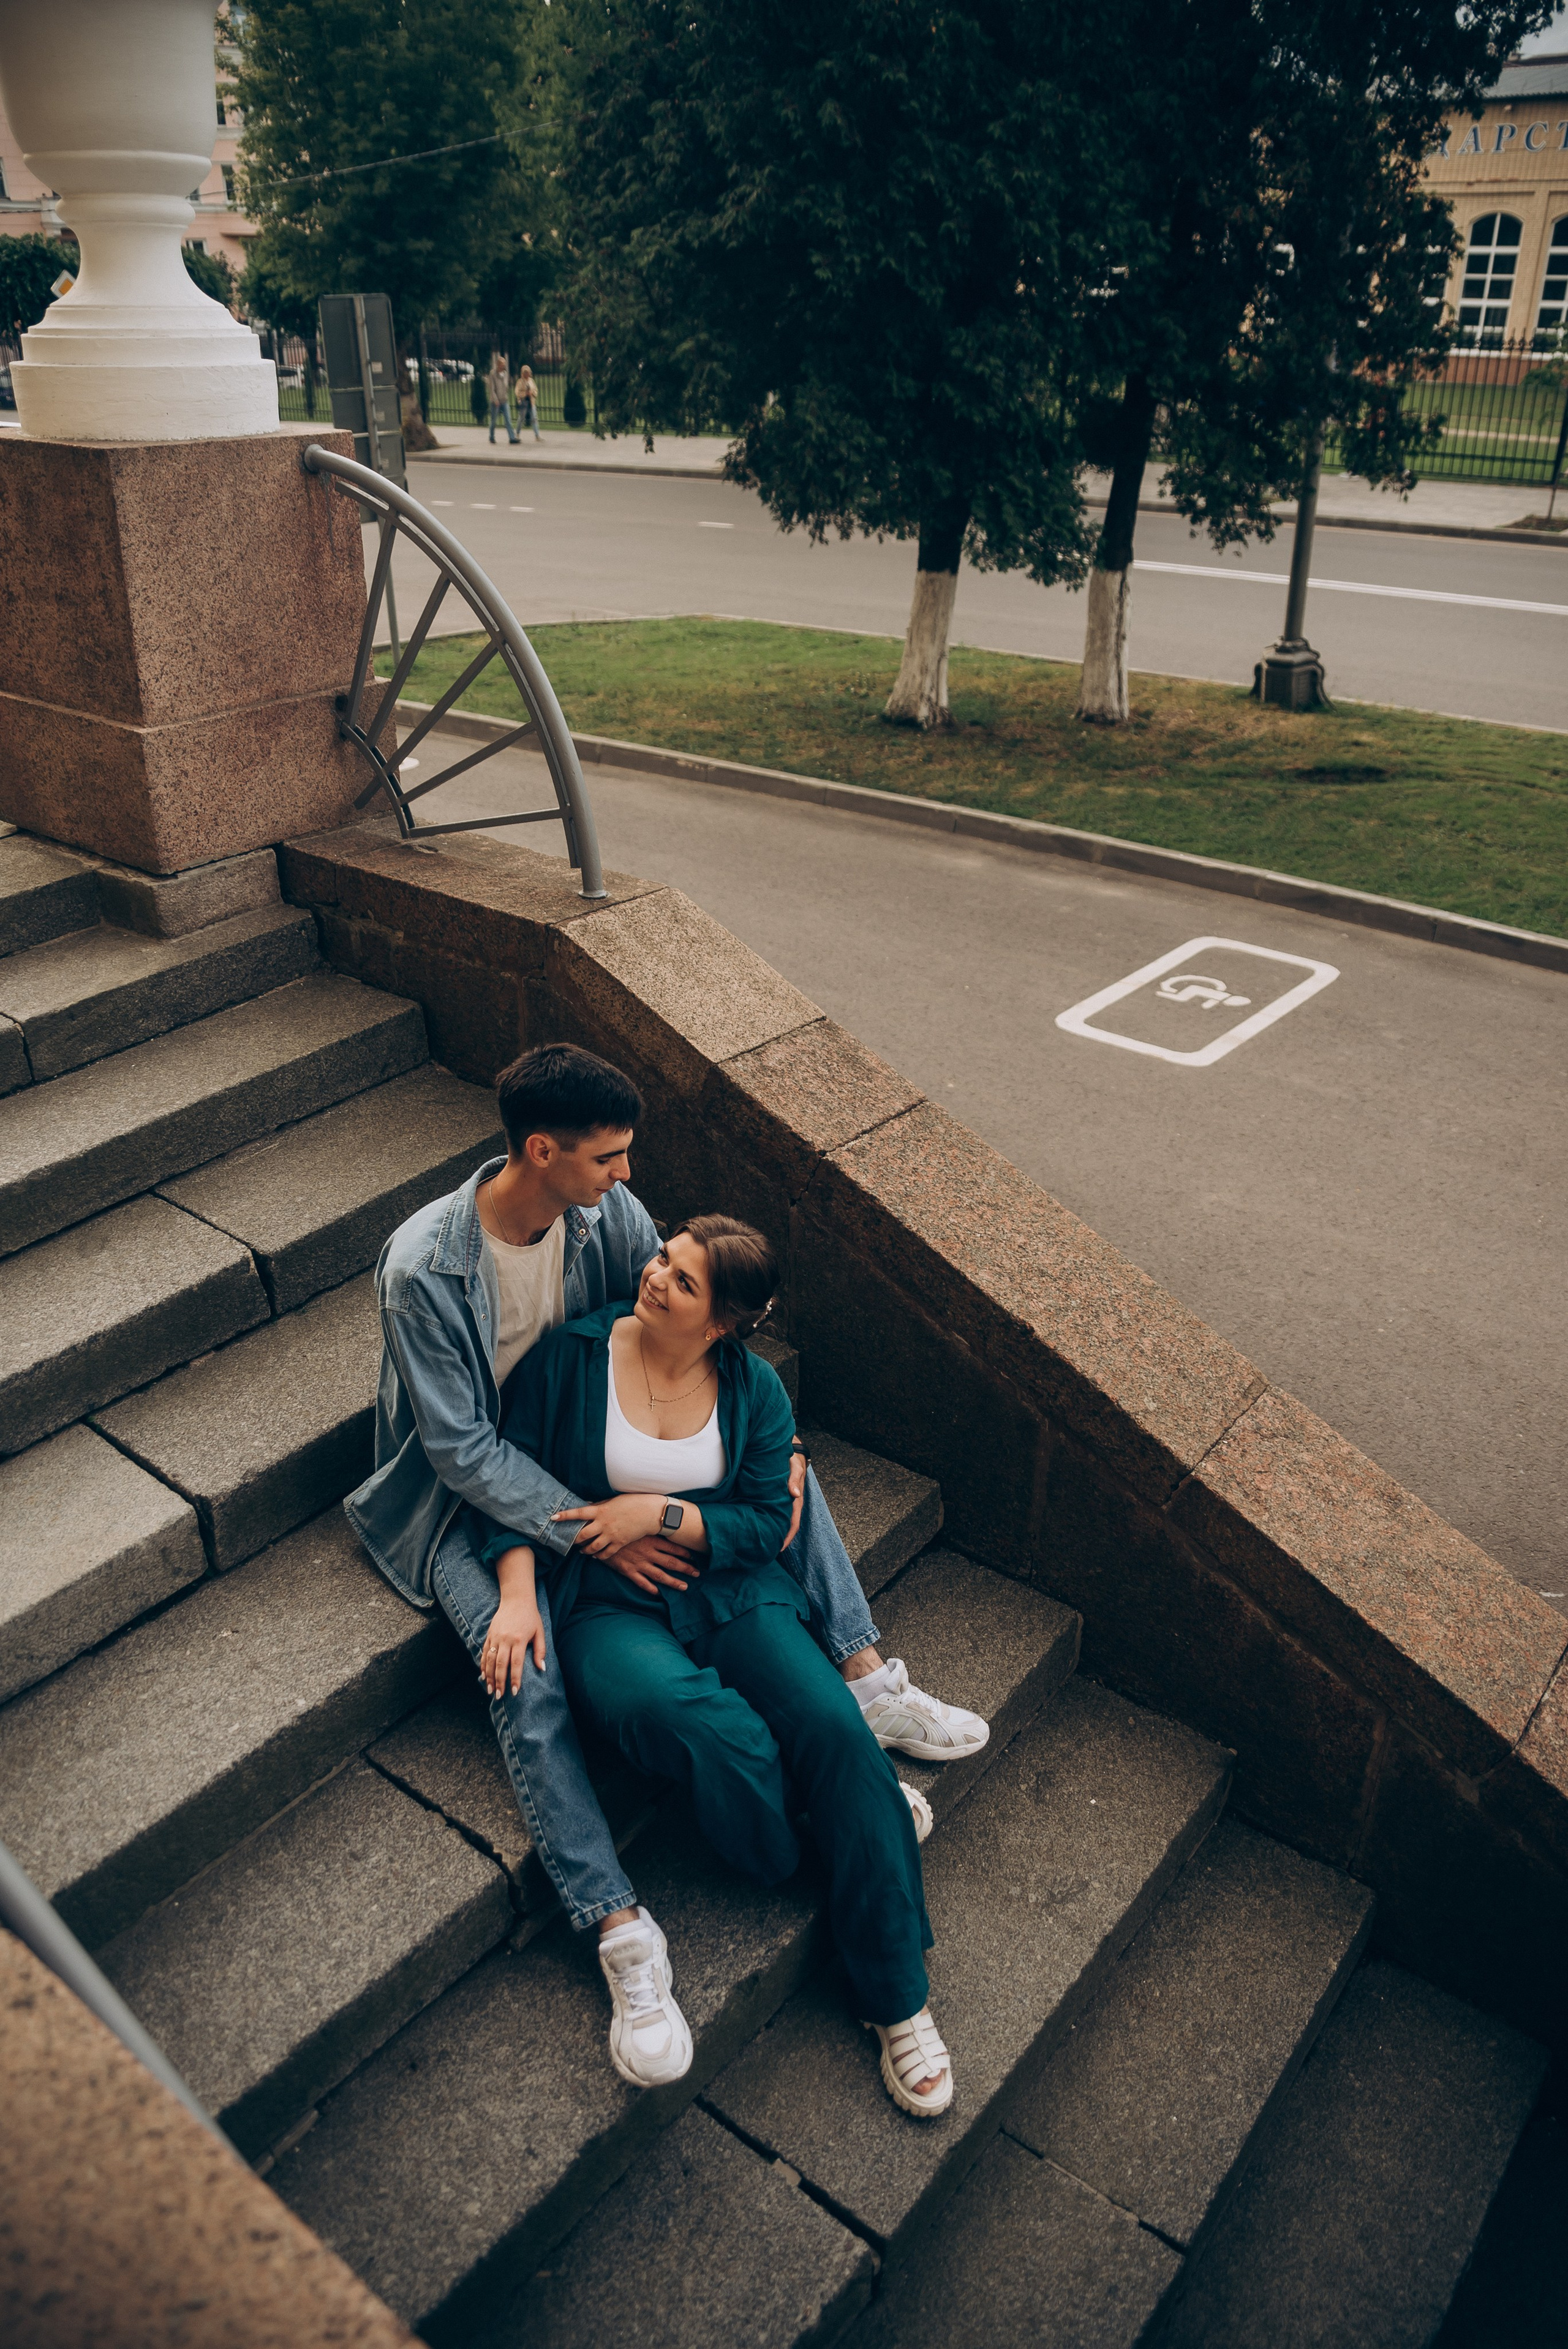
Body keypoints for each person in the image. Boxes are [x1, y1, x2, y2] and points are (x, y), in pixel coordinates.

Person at [346, 1043, 986, 2091]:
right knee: (532, 1674)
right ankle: (623, 1926)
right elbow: (468, 1453)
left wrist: (679, 1515)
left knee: (785, 1483)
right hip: (480, 1502)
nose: (631, 1186)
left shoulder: (625, 1234)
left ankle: (867, 1700)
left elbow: (748, 1495)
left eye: (680, 1277)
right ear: (544, 1151)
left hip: (688, 1552)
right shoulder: (430, 1267)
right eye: (610, 1158)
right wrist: (584, 1538)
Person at [479, 1215, 954, 2115]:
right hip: (607, 1609)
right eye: (663, 1256)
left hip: (733, 1591)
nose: (656, 1276)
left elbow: (764, 1522)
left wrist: (656, 1512)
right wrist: (522, 1584)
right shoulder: (570, 1360)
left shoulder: (755, 1388)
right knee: (701, 1724)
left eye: (683, 1280)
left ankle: (899, 2000)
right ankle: (826, 1840)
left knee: (837, 1733)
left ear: (723, 1320)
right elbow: (509, 1488)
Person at [486, 350, 518, 445]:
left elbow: (506, 386)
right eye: (502, 364)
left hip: (504, 400)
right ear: (498, 365)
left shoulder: (505, 374)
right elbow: (492, 389)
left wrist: (506, 395)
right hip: (496, 402)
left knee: (508, 420)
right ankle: (492, 437)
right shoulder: (493, 374)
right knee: (494, 421)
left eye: (504, 364)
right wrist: (495, 400)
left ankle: (512, 438)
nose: (503, 366)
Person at [514, 363, 543, 442]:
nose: (528, 374)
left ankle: (537, 435)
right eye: (526, 373)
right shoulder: (520, 382)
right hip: (524, 403)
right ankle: (517, 433)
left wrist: (533, 393)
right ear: (523, 374)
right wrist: (525, 394)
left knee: (534, 418)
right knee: (521, 418)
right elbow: (517, 392)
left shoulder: (531, 381)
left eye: (529, 373)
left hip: (531, 402)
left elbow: (536, 390)